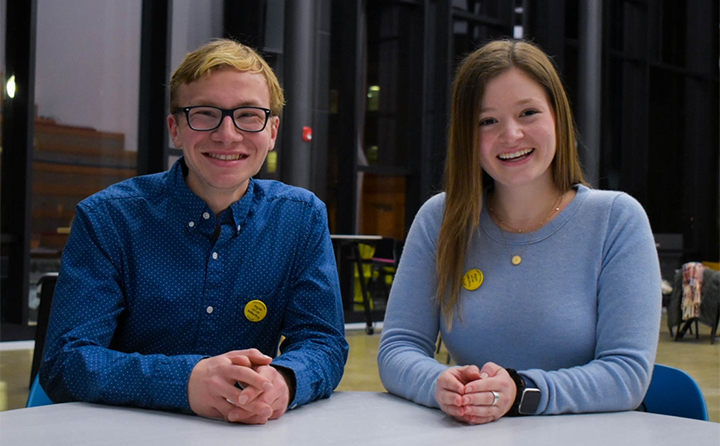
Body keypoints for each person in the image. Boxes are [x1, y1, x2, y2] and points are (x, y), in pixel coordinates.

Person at [39, 39, 349, 424]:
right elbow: (65, 362)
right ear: (176, 129)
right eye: (205, 114)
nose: (227, 134)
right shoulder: (108, 219)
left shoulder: (301, 219)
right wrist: (185, 381)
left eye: (249, 115)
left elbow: (324, 342)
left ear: (271, 132)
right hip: (121, 429)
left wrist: (283, 380)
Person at [377, 39, 661, 425]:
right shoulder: (441, 219)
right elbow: (398, 348)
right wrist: (440, 384)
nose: (510, 135)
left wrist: (521, 390)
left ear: (557, 117)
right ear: (467, 136)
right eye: (487, 121)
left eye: (528, 113)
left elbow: (627, 375)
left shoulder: (616, 219)